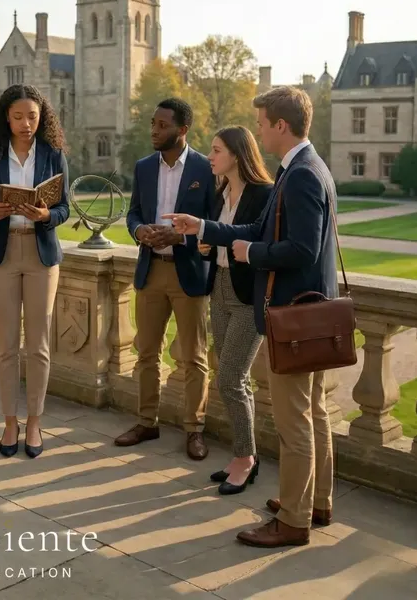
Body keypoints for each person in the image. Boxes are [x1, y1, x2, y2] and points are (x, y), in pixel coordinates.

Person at [165, 85, 336, 548]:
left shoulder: (299, 175)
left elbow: (299, 248)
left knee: (294, 421)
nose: (258, 130)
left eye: (261, 123)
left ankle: (294, 521)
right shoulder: (305, 167)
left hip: (294, 316)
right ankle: (317, 501)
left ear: (281, 125)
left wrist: (249, 253)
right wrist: (203, 226)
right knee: (315, 413)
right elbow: (258, 227)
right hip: (314, 315)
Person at [0, 84, 70, 459]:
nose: (26, 123)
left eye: (32, 116)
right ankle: (10, 421)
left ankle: (34, 422)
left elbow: (64, 210)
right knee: (6, 345)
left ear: (42, 116)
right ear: (5, 118)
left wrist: (46, 214)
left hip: (42, 252)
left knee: (39, 345)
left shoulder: (54, 153)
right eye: (18, 117)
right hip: (3, 253)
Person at [115, 98, 214, 460]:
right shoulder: (143, 168)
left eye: (161, 125)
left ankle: (194, 430)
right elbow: (134, 213)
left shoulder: (206, 168)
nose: (154, 130)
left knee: (194, 358)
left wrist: (182, 237)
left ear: (182, 130)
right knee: (146, 353)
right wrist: (139, 230)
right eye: (153, 124)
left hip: (189, 274)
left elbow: (214, 226)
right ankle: (146, 422)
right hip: (151, 269)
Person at [199, 127, 272, 495]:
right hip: (220, 288)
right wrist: (205, 248)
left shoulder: (264, 194)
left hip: (248, 295)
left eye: (216, 150)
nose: (210, 157)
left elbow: (260, 241)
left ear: (237, 154)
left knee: (230, 377)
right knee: (233, 378)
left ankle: (246, 458)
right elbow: (217, 241)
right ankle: (245, 454)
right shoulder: (220, 193)